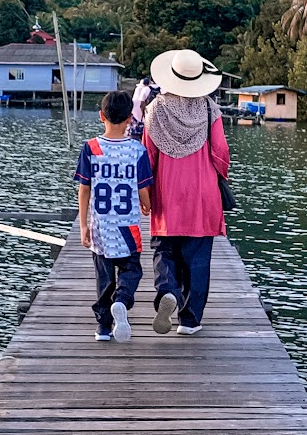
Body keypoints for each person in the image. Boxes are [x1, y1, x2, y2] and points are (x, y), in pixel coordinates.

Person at [142, 48, 229, 335]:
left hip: (167, 192)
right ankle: (190, 320)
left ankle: (168, 291)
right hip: (203, 195)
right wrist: (218, 175)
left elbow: (147, 156)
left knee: (164, 249)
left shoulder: (154, 109)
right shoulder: (209, 109)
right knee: (198, 258)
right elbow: (221, 152)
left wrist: (145, 190)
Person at [74, 90, 153, 342]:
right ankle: (122, 300)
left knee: (104, 277)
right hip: (127, 226)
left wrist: (83, 224)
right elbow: (142, 188)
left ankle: (104, 328)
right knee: (131, 271)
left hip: (100, 226)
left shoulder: (91, 148)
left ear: (101, 116)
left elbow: (84, 188)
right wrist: (147, 205)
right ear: (131, 118)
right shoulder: (137, 150)